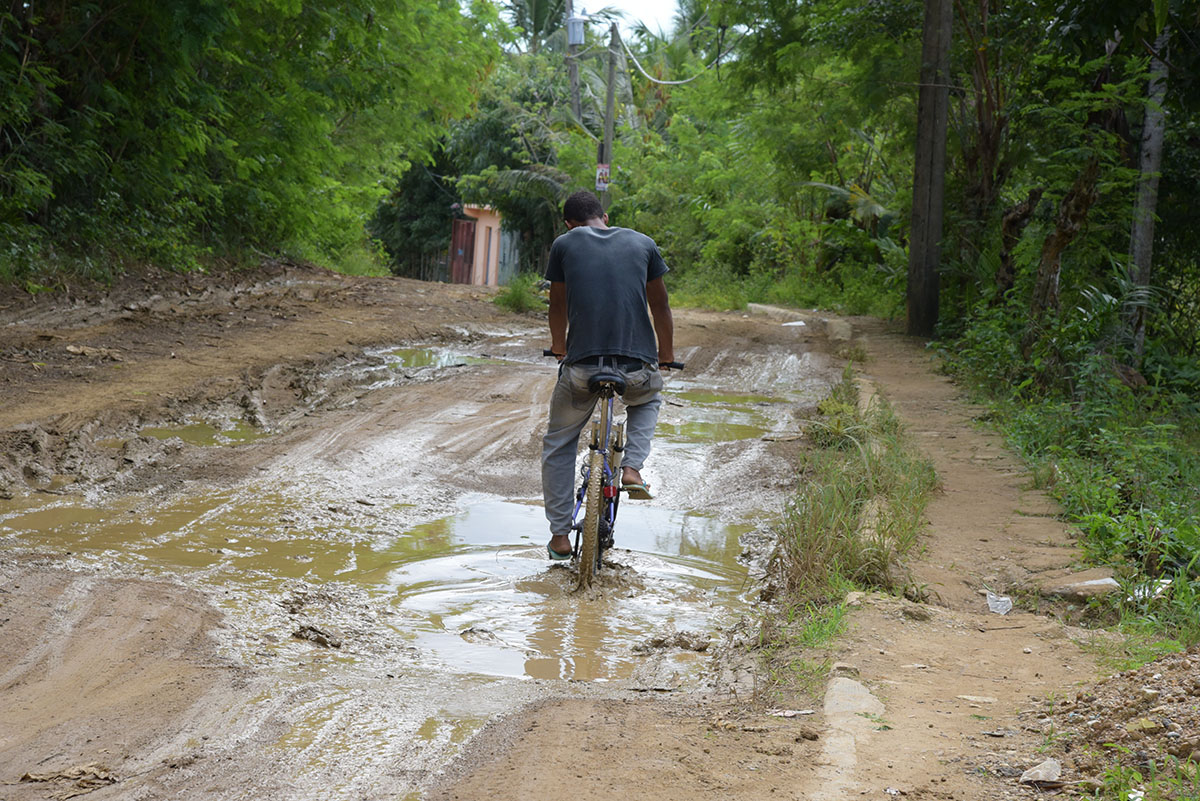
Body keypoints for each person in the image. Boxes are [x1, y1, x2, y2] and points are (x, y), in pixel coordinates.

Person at [541, 190, 674, 560]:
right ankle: (631, 468)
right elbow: (659, 304)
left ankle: (559, 537)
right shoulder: (643, 243)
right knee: (648, 399)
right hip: (636, 367)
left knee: (559, 443)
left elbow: (557, 304)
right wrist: (667, 355)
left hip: (583, 366)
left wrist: (559, 348)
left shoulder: (564, 244)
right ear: (605, 216)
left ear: (569, 225)